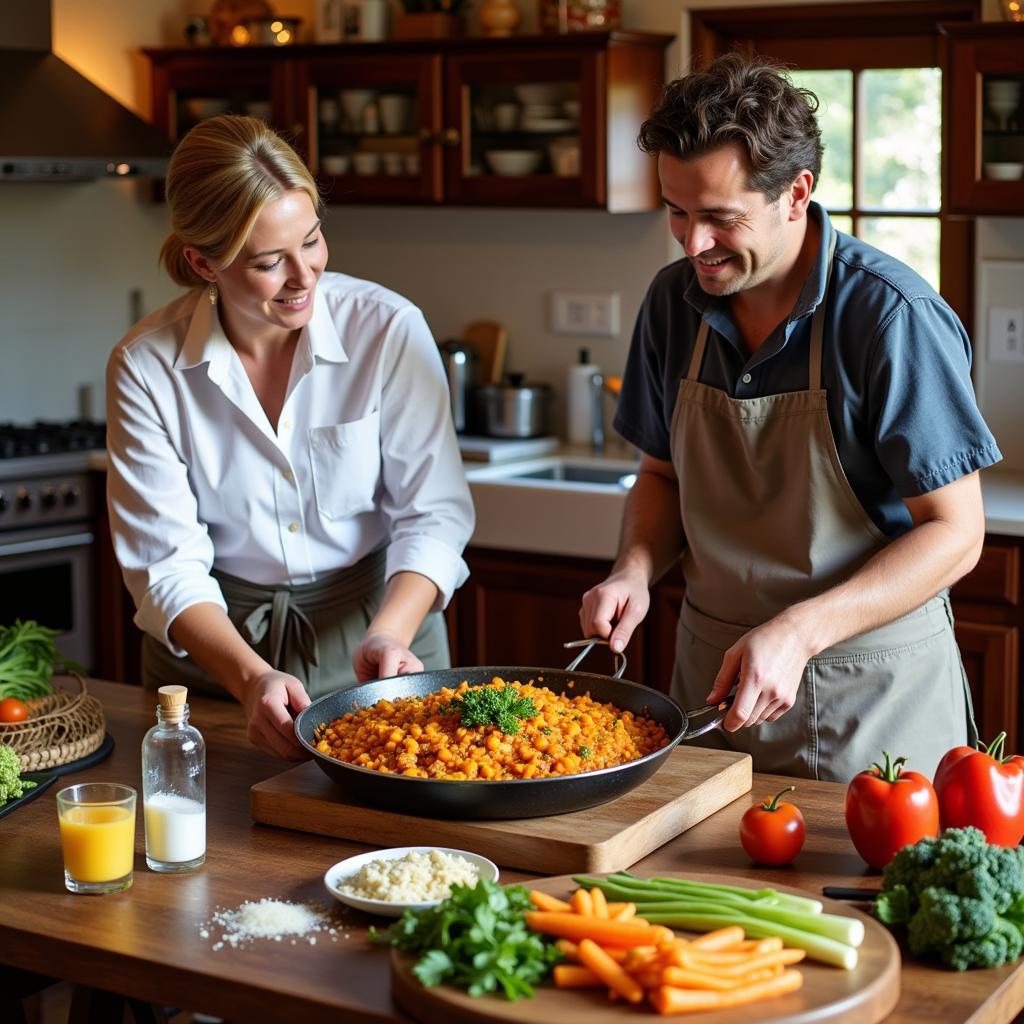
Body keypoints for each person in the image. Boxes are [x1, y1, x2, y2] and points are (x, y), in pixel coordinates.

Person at [579, 54, 1002, 783]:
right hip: (712, 695)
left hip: (870, 708)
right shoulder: (671, 303)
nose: (693, 243)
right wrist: (635, 570)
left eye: (721, 218)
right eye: (677, 212)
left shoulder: (888, 317)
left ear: (796, 193)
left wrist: (800, 631)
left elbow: (956, 534)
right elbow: (659, 474)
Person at [106, 115, 474, 761]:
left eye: (313, 240)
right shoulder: (146, 366)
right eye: (271, 262)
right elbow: (166, 565)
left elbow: (435, 515)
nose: (306, 276)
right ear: (203, 263)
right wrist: (250, 680)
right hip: (217, 656)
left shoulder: (386, 331)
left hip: (380, 636)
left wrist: (388, 634)